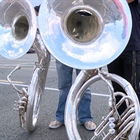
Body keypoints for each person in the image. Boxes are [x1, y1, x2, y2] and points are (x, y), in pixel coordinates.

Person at [107, 0, 140, 139]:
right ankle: (125, 130)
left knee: (132, 93)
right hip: (113, 48)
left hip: (131, 47)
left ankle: (137, 129)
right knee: (118, 93)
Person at [49, 60, 96, 130]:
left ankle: (86, 118)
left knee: (84, 86)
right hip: (63, 52)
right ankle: (61, 118)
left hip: (82, 52)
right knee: (64, 86)